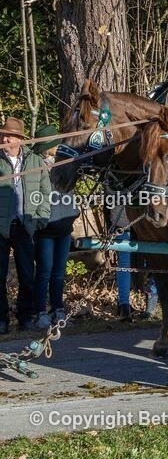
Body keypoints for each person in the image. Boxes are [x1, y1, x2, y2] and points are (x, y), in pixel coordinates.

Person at [0, 117, 51, 333]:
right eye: (3, 135)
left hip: (25, 225)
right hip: (1, 226)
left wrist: (40, 219)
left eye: (8, 136)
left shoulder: (35, 161)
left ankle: (25, 316)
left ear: (19, 139)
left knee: (27, 275)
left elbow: (45, 192)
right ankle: (1, 319)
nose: (4, 139)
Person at [32, 125, 78, 328]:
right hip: (45, 229)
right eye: (55, 144)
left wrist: (74, 212)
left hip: (64, 226)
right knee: (44, 271)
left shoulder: (66, 164)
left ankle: (57, 308)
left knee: (59, 272)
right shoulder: (37, 167)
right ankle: (40, 311)